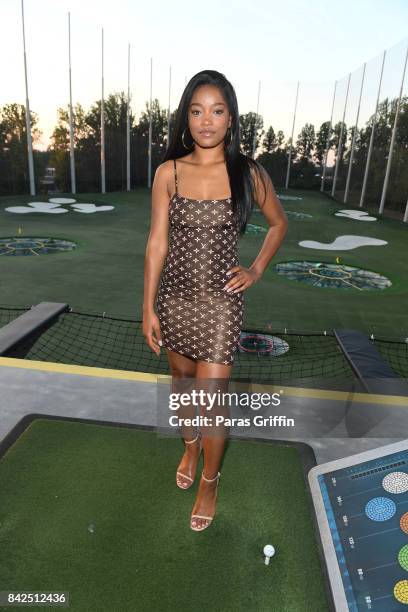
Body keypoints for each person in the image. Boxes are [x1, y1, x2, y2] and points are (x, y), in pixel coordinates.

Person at [143, 69, 288, 531]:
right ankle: (189, 446)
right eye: (197, 109)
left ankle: (210, 478)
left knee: (213, 402)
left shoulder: (248, 172)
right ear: (186, 117)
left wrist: (256, 269)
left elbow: (279, 223)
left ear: (230, 118)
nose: (207, 120)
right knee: (182, 387)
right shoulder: (169, 172)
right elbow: (156, 243)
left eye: (217, 110)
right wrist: (148, 306)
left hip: (221, 306)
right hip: (176, 299)